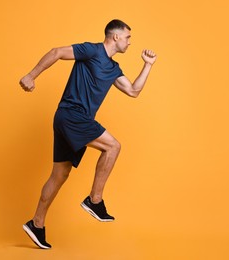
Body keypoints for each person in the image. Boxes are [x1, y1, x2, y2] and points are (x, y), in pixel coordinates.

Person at [19, 19, 157, 249]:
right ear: (115, 37)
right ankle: (95, 200)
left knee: (60, 175)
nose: (130, 42)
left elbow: (133, 91)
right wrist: (31, 75)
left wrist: (149, 65)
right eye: (128, 37)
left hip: (69, 119)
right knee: (113, 146)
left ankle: (36, 224)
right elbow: (56, 52)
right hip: (72, 115)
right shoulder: (91, 50)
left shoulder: (113, 69)